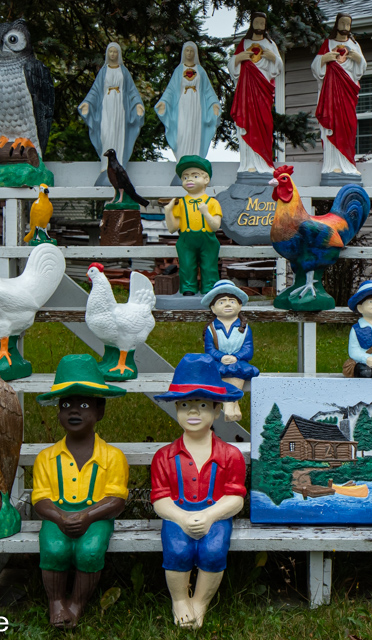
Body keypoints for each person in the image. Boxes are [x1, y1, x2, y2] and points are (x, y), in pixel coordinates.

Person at [32, 355, 129, 629]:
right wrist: (59, 516)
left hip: (96, 518)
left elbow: (116, 499)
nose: (74, 412)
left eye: (84, 405)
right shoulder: (47, 458)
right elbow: (40, 498)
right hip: (57, 516)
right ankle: (56, 602)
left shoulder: (112, 456)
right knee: (53, 547)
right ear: (58, 411)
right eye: (66, 405)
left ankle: (77, 603)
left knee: (89, 549)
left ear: (100, 411)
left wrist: (87, 516)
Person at [151, 354, 247, 629]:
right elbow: (160, 498)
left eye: (202, 405)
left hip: (215, 514)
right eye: (184, 405)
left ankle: (201, 601)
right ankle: (180, 599)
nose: (193, 412)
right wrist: (180, 518)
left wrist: (209, 516)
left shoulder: (230, 455)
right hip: (177, 513)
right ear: (176, 408)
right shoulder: (164, 456)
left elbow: (235, 497)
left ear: (217, 410)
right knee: (178, 549)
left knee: (214, 550)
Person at [79, 43, 145, 185]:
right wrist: (87, 103)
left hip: (120, 108)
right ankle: (105, 167)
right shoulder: (104, 71)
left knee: (119, 135)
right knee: (106, 134)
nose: (113, 55)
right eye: (111, 52)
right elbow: (95, 90)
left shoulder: (124, 71)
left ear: (119, 54)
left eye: (115, 52)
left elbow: (132, 91)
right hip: (106, 107)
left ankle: (119, 166)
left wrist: (138, 104)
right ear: (107, 54)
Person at [227, 12, 283, 175]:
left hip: (263, 92)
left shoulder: (270, 44)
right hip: (247, 93)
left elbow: (277, 68)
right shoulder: (245, 43)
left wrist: (273, 57)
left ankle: (265, 163)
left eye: (262, 23)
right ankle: (249, 163)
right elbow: (233, 65)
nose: (259, 26)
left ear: (265, 25)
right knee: (248, 125)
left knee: (264, 124)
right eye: (256, 23)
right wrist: (239, 59)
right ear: (252, 24)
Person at [312, 13, 366, 177]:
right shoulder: (328, 44)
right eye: (342, 23)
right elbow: (315, 66)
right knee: (332, 126)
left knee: (348, 127)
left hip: (347, 93)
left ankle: (348, 163)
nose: (345, 27)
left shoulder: (354, 45)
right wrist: (324, 59)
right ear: (337, 25)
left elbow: (361, 70)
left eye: (348, 24)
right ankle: (332, 165)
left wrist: (358, 59)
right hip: (331, 94)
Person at [201, 279, 260, 422]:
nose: (227, 304)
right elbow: (209, 349)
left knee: (236, 370)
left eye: (232, 301)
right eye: (221, 302)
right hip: (218, 362)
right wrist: (221, 357)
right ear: (213, 308)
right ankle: (233, 404)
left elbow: (248, 349)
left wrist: (236, 357)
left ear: (240, 306)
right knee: (223, 370)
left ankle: (228, 404)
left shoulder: (244, 328)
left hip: (238, 361)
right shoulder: (211, 328)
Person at [163, 156, 221, 295]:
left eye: (195, 176)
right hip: (186, 240)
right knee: (187, 265)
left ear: (206, 179)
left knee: (209, 266)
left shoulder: (212, 203)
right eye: (185, 177)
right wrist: (168, 211)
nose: (189, 180)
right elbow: (172, 228)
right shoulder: (181, 203)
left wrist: (206, 213)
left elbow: (215, 226)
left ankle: (210, 288)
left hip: (208, 239)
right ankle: (188, 287)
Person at [156, 42, 221, 161]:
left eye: (191, 51)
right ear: (183, 53)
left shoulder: (200, 71)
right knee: (182, 132)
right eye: (187, 50)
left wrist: (214, 104)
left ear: (195, 53)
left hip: (197, 107)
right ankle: (182, 159)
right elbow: (171, 89)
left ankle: (195, 159)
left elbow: (208, 91)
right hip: (182, 106)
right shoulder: (179, 70)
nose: (189, 53)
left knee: (195, 131)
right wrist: (164, 101)